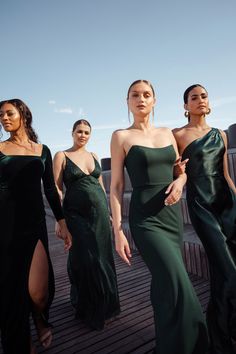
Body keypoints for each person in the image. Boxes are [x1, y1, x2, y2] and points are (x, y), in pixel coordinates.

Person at [110, 80, 209, 354]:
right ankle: (197, 343)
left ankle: (169, 344)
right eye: (135, 95)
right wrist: (118, 230)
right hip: (145, 221)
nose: (141, 99)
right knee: (177, 279)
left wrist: (180, 183)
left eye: (146, 95)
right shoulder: (121, 137)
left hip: (171, 216)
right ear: (128, 102)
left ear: (154, 101)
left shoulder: (167, 134)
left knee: (164, 284)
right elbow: (116, 186)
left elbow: (181, 171)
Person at [0, 99, 72, 354]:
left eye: (9, 113)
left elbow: (51, 190)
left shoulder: (42, 150)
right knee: (10, 289)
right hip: (5, 226)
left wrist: (62, 221)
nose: (4, 118)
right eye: (1, 115)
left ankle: (39, 318)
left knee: (39, 293)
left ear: (23, 115)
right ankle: (20, 340)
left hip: (34, 223)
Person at [173, 84, 236, 354]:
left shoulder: (220, 134)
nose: (200, 100)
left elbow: (226, 173)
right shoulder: (178, 135)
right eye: (194, 97)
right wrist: (177, 171)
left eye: (204, 96)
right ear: (185, 106)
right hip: (201, 206)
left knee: (225, 274)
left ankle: (226, 334)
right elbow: (177, 174)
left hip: (228, 205)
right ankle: (219, 340)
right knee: (228, 270)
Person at [53, 119, 120, 330]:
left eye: (87, 132)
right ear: (72, 133)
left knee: (103, 258)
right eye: (79, 131)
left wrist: (108, 212)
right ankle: (87, 307)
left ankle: (106, 305)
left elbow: (100, 186)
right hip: (75, 215)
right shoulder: (61, 156)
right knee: (85, 259)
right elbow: (57, 188)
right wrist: (59, 219)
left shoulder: (94, 156)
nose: (83, 135)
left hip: (99, 214)